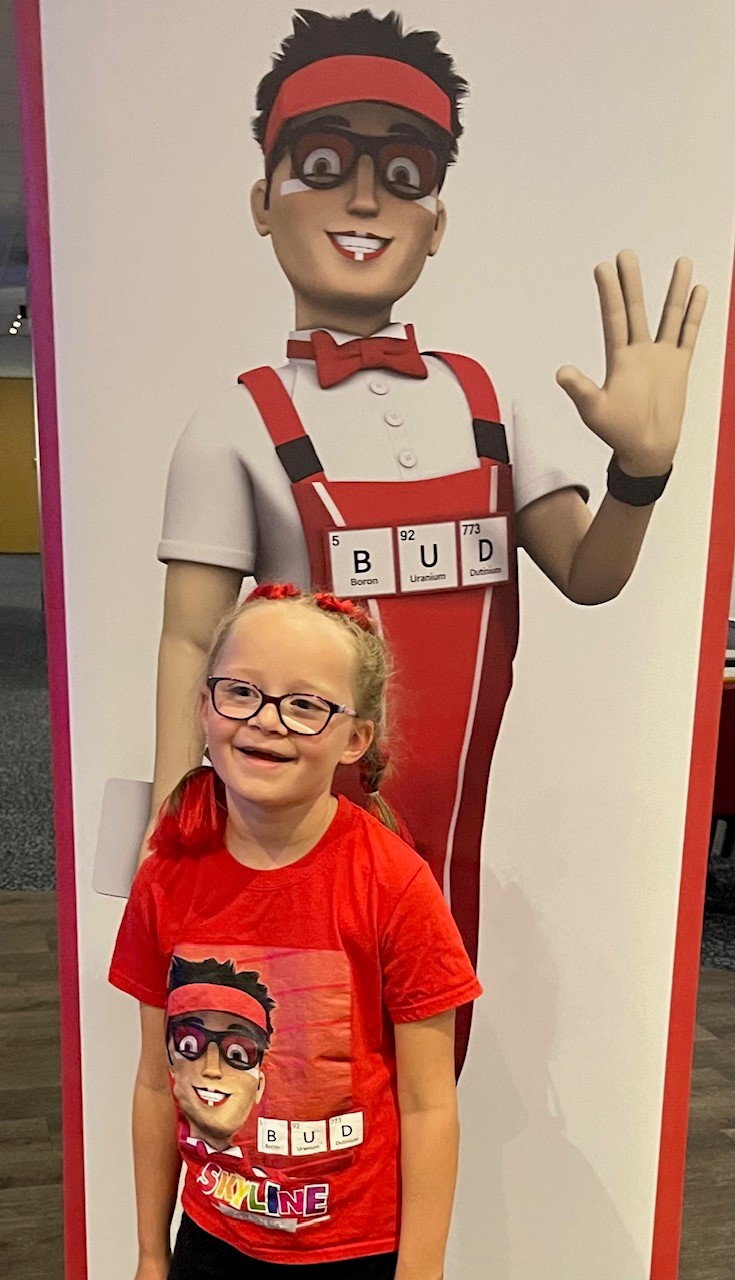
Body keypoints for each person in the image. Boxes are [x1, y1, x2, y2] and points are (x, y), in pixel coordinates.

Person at [148, 9, 707, 1072]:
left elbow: (589, 575)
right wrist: (178, 831)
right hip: (288, 845)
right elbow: (189, 641)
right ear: (265, 201)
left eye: (402, 171)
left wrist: (643, 474)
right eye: (324, 161)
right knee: (292, 1084)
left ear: (436, 218)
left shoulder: (490, 403)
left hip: (448, 863)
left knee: (426, 1089)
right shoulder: (234, 422)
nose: (365, 197)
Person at [110, 582, 483, 1280]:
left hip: (356, 1254)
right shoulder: (166, 873)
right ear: (204, 706)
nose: (267, 721)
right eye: (241, 692)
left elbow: (430, 1105)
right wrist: (150, 1253)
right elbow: (157, 1085)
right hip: (211, 1238)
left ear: (355, 739)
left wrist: (422, 1268)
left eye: (306, 705)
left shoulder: (395, 885)